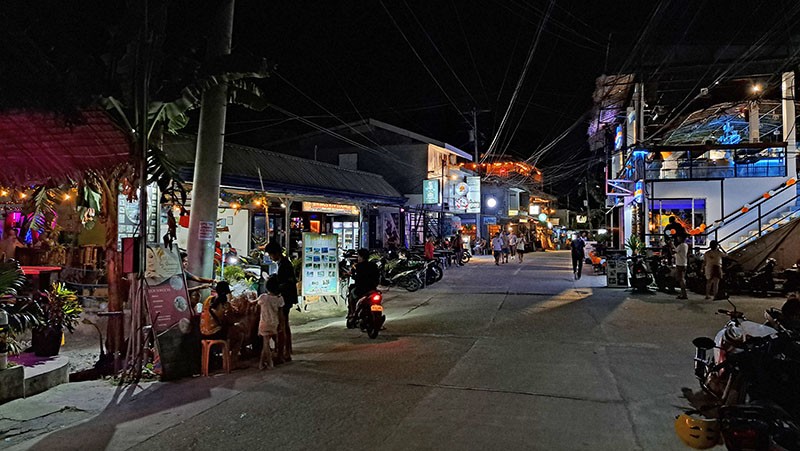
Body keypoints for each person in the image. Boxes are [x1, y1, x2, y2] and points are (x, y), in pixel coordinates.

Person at [264, 241, 298, 364]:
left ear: (276, 253)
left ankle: (285, 352)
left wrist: (275, 283)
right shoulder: (283, 263)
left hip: (286, 298)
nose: (270, 257)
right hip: (286, 297)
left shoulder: (285, 264)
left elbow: (288, 282)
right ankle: (287, 350)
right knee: (285, 325)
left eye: (271, 254)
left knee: (283, 325)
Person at [200, 281, 246, 369]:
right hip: (214, 333)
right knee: (239, 334)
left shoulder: (208, 299)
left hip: (202, 332)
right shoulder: (224, 304)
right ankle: (232, 362)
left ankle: (226, 360)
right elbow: (228, 320)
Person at [254, 276, 284, 370]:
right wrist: (281, 325)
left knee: (265, 343)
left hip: (264, 323)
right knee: (266, 343)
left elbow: (254, 304)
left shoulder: (263, 297)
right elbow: (281, 314)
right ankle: (261, 364)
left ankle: (270, 362)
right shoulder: (279, 299)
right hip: (274, 323)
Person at [347, 248, 380, 320]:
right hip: (372, 289)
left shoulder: (357, 266)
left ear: (361, 257)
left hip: (361, 290)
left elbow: (355, 276)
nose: (358, 258)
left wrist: (352, 275)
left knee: (351, 293)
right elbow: (378, 277)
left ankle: (352, 313)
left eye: (358, 256)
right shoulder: (373, 265)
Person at [674, 234, 689, 300]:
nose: (677, 238)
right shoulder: (686, 245)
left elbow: (674, 251)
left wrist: (671, 245)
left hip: (680, 264)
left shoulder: (680, 246)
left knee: (681, 279)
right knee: (682, 278)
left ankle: (684, 294)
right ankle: (683, 293)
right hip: (684, 263)